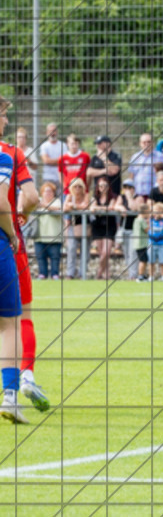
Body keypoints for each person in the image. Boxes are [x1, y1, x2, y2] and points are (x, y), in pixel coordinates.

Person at [0, 100, 44, 414]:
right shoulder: (11, 154)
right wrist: (21, 216)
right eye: (3, 115)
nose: (6, 120)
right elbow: (31, 197)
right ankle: (24, 376)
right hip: (8, 242)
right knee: (19, 317)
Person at [0, 146, 28, 423]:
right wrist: (11, 234)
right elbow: (1, 203)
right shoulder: (2, 158)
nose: (5, 125)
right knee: (9, 324)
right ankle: (10, 396)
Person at [88, 177, 118, 280]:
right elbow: (92, 208)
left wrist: (99, 208)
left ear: (108, 187)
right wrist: (104, 209)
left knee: (106, 252)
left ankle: (99, 273)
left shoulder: (112, 198)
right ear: (98, 187)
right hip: (97, 226)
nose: (103, 188)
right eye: (101, 186)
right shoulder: (94, 198)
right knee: (102, 253)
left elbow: (111, 207)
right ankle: (106, 274)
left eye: (105, 185)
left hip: (109, 226)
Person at [127, 133, 163, 199]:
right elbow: (131, 176)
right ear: (140, 143)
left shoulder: (161, 157)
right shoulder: (135, 157)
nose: (147, 144)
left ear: (152, 143)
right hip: (138, 195)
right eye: (144, 142)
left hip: (155, 195)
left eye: (149, 142)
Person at [34, 182, 63, 280]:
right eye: (46, 191)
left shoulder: (56, 201)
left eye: (50, 191)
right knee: (40, 257)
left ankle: (55, 274)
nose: (48, 193)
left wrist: (43, 205)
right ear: (42, 193)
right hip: (39, 236)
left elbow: (57, 208)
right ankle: (42, 274)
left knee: (55, 257)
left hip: (54, 236)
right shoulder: (37, 202)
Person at [62, 178, 90, 279]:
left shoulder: (86, 196)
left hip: (85, 226)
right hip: (73, 226)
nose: (77, 188)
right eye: (75, 186)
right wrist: (76, 206)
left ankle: (82, 273)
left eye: (80, 186)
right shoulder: (69, 196)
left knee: (85, 251)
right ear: (71, 188)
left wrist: (73, 206)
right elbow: (65, 208)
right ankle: (70, 273)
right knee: (71, 249)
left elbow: (85, 206)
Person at [114, 181, 139, 280]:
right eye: (125, 188)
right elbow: (116, 206)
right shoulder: (121, 197)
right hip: (124, 229)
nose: (127, 190)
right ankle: (130, 274)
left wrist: (129, 197)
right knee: (126, 253)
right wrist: (121, 208)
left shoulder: (138, 197)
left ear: (133, 189)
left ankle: (133, 275)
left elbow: (134, 208)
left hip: (134, 230)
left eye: (129, 188)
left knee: (133, 253)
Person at [147, 201, 163, 282]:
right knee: (151, 261)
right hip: (151, 243)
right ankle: (151, 276)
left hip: (161, 244)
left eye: (158, 211)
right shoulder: (150, 219)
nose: (156, 213)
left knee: (162, 261)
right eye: (154, 211)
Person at [37, 123, 66, 188]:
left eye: (54, 131)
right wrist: (59, 161)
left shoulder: (63, 145)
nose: (52, 133)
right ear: (47, 133)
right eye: (50, 131)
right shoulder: (44, 146)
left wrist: (51, 161)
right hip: (48, 178)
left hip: (61, 178)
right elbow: (46, 160)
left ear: (57, 132)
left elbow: (65, 160)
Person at [132, 204, 152, 282]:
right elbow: (147, 230)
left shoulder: (136, 220)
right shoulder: (141, 221)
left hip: (137, 243)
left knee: (143, 260)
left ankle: (142, 275)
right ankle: (140, 276)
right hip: (141, 244)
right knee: (143, 260)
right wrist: (149, 222)